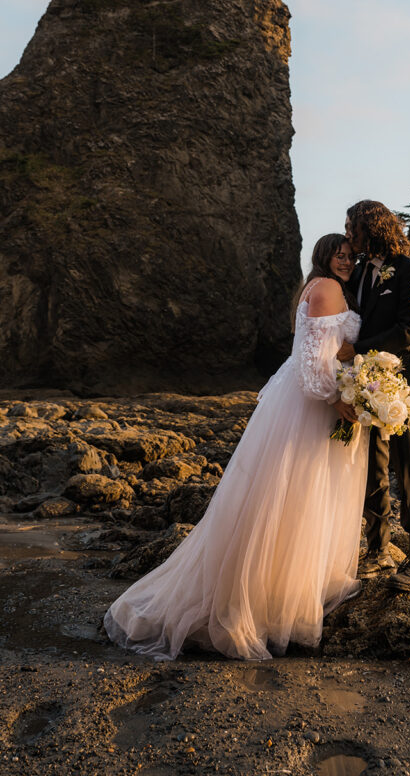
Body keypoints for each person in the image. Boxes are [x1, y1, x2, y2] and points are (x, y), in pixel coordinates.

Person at [103, 234, 368, 661]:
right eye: (339, 255)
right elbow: (311, 367)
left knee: (300, 499)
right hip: (311, 405)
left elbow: (330, 350)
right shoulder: (326, 288)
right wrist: (342, 403)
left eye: (351, 256)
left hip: (316, 402)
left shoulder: (328, 289)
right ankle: (261, 603)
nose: (346, 261)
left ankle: (286, 594)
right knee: (290, 498)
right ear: (324, 257)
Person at [340, 200, 410, 591]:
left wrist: (358, 350)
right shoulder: (358, 271)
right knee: (371, 471)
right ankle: (378, 551)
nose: (348, 235)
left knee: (408, 469)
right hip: (362, 387)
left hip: (399, 388)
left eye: (352, 228)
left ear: (372, 227)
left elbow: (409, 329)